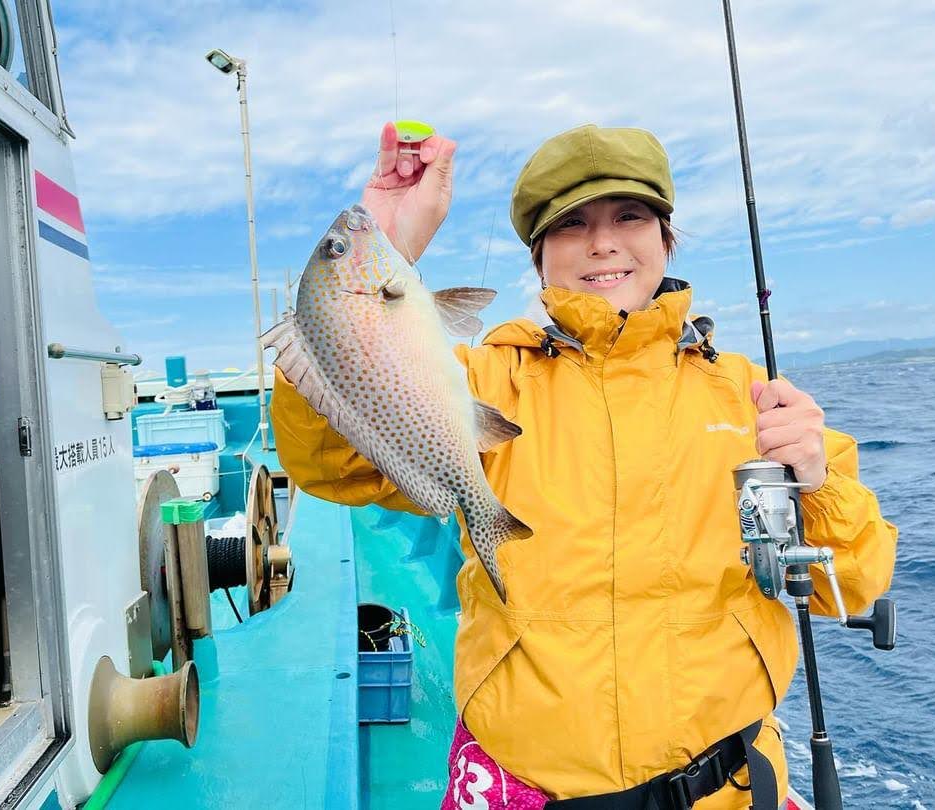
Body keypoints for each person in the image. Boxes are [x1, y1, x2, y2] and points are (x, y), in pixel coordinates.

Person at [270, 122, 898, 809]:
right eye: (571, 225)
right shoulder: (484, 380)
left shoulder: (750, 395)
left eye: (629, 216)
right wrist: (387, 246)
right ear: (540, 259)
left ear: (667, 239)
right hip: (528, 788)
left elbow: (855, 584)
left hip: (733, 787)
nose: (602, 242)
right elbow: (329, 465)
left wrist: (817, 479)